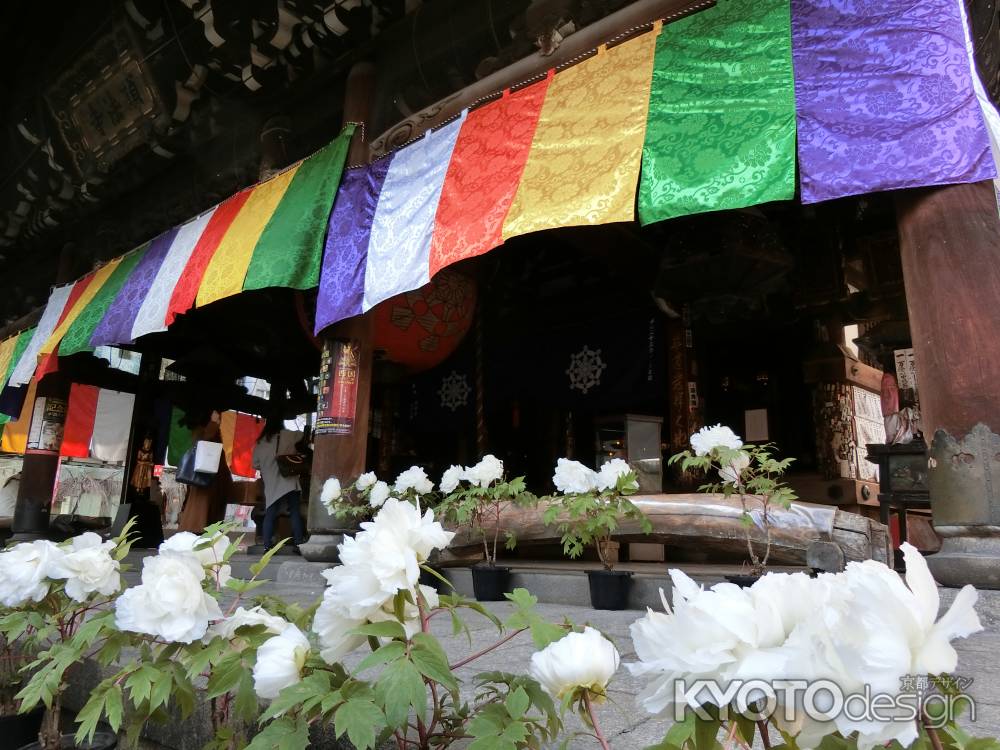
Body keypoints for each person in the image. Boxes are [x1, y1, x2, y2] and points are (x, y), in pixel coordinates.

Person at [252, 418, 306, 551]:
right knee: (294, 512)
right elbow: (302, 435)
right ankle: (298, 543)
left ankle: (267, 546)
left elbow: (255, 464)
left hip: (271, 484)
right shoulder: (287, 435)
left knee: (270, 513)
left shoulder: (260, 444)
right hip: (289, 481)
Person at [177, 418, 233, 532]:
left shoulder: (199, 442)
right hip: (211, 485)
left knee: (197, 515)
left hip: (199, 483)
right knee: (207, 516)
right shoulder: (214, 445)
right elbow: (223, 472)